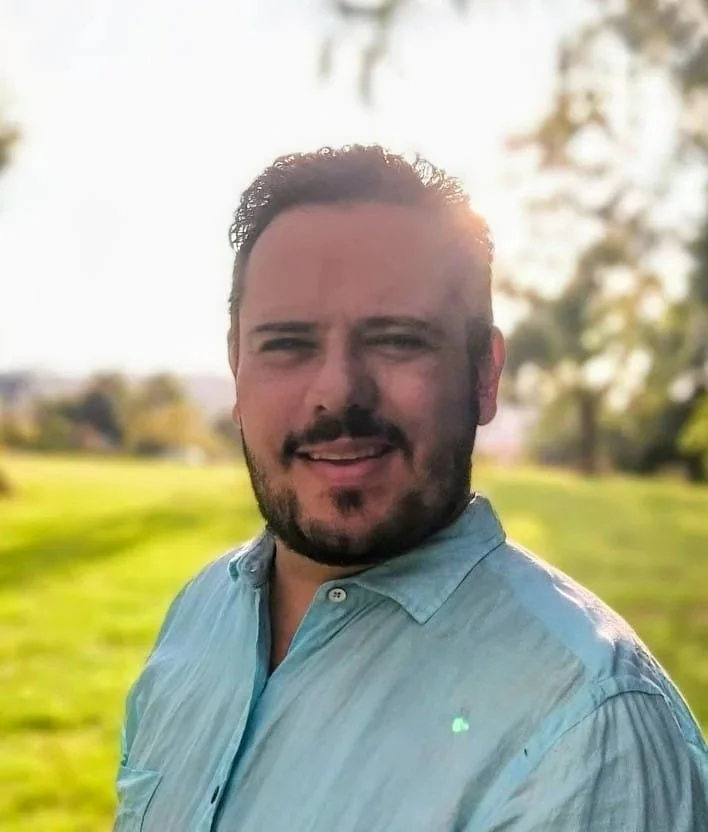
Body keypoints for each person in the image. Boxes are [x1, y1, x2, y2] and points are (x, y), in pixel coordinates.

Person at [114, 145, 708, 831]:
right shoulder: (202, 611)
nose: (338, 391)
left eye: (396, 339)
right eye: (287, 343)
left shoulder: (590, 728)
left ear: (484, 374)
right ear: (236, 369)